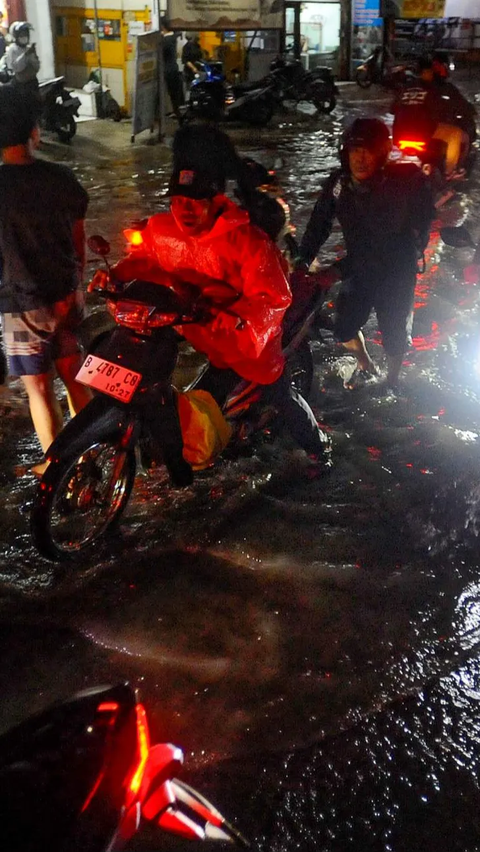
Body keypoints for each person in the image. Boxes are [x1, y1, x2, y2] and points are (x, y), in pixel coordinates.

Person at [111, 168, 330, 460]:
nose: (184, 210)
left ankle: (319, 449)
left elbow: (272, 297)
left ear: (214, 201)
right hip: (204, 333)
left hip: (249, 342)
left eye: (195, 201)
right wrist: (113, 276)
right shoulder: (163, 230)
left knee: (278, 394)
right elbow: (144, 258)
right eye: (177, 201)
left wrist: (239, 318)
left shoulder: (249, 243)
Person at [298, 117, 434, 389]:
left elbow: (379, 245)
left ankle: (392, 381)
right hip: (358, 267)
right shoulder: (339, 185)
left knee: (394, 333)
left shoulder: (398, 188)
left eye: (367, 151)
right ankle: (365, 362)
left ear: (381, 154)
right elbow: (318, 225)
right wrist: (301, 261)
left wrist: (336, 271)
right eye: (354, 151)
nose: (360, 159)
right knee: (344, 327)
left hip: (397, 268)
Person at [0, 86, 92, 473]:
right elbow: (78, 239)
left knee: (39, 390)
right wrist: (76, 284)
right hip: (66, 296)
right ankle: (92, 452)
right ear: (34, 133)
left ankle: (60, 473)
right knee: (75, 377)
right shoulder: (61, 178)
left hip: (20, 306)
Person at [391, 56, 475, 176]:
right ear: (427, 71)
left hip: (400, 135)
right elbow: (443, 108)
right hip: (423, 133)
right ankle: (449, 172)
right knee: (456, 134)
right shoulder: (433, 88)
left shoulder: (406, 87)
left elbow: (393, 109)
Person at [0, 21, 40, 90]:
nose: (24, 37)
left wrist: (33, 57)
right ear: (16, 36)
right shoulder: (12, 49)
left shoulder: (29, 48)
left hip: (32, 83)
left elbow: (37, 67)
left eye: (26, 34)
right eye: (22, 35)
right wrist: (25, 55)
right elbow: (16, 67)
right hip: (19, 85)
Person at [161, 17, 184, 121]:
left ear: (162, 26)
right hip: (175, 67)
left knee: (171, 94)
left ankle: (177, 114)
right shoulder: (175, 38)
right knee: (176, 93)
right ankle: (178, 113)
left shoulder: (165, 41)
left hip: (167, 70)